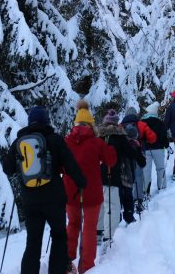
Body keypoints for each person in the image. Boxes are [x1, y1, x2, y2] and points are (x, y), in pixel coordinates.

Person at [2, 106, 87, 274]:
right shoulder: (54, 139)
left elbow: (7, 168)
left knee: (33, 242)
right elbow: (70, 164)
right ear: (46, 121)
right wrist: (82, 182)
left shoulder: (19, 142)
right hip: (54, 199)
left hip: (30, 200)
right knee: (59, 236)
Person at [63, 100, 117, 273]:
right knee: (89, 228)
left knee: (72, 224)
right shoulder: (96, 142)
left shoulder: (66, 141)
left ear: (76, 123)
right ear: (91, 124)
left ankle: (67, 262)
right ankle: (86, 267)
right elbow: (111, 160)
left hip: (70, 192)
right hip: (92, 192)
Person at [97, 109, 146, 243]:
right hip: (113, 176)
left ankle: (98, 232)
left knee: (101, 204)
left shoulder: (98, 137)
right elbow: (131, 152)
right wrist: (141, 160)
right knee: (113, 206)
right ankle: (108, 236)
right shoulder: (120, 137)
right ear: (116, 122)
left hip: (97, 177)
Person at [121, 106, 156, 209]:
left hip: (125, 155)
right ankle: (139, 199)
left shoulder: (120, 126)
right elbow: (153, 138)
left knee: (126, 176)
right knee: (138, 175)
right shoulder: (141, 124)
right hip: (138, 152)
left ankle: (127, 199)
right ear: (136, 114)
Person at [141, 101, 169, 193]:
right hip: (159, 148)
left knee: (146, 170)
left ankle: (146, 190)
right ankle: (161, 187)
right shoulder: (160, 123)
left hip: (146, 149)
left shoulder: (142, 122)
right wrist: (167, 146)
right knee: (160, 168)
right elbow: (164, 137)